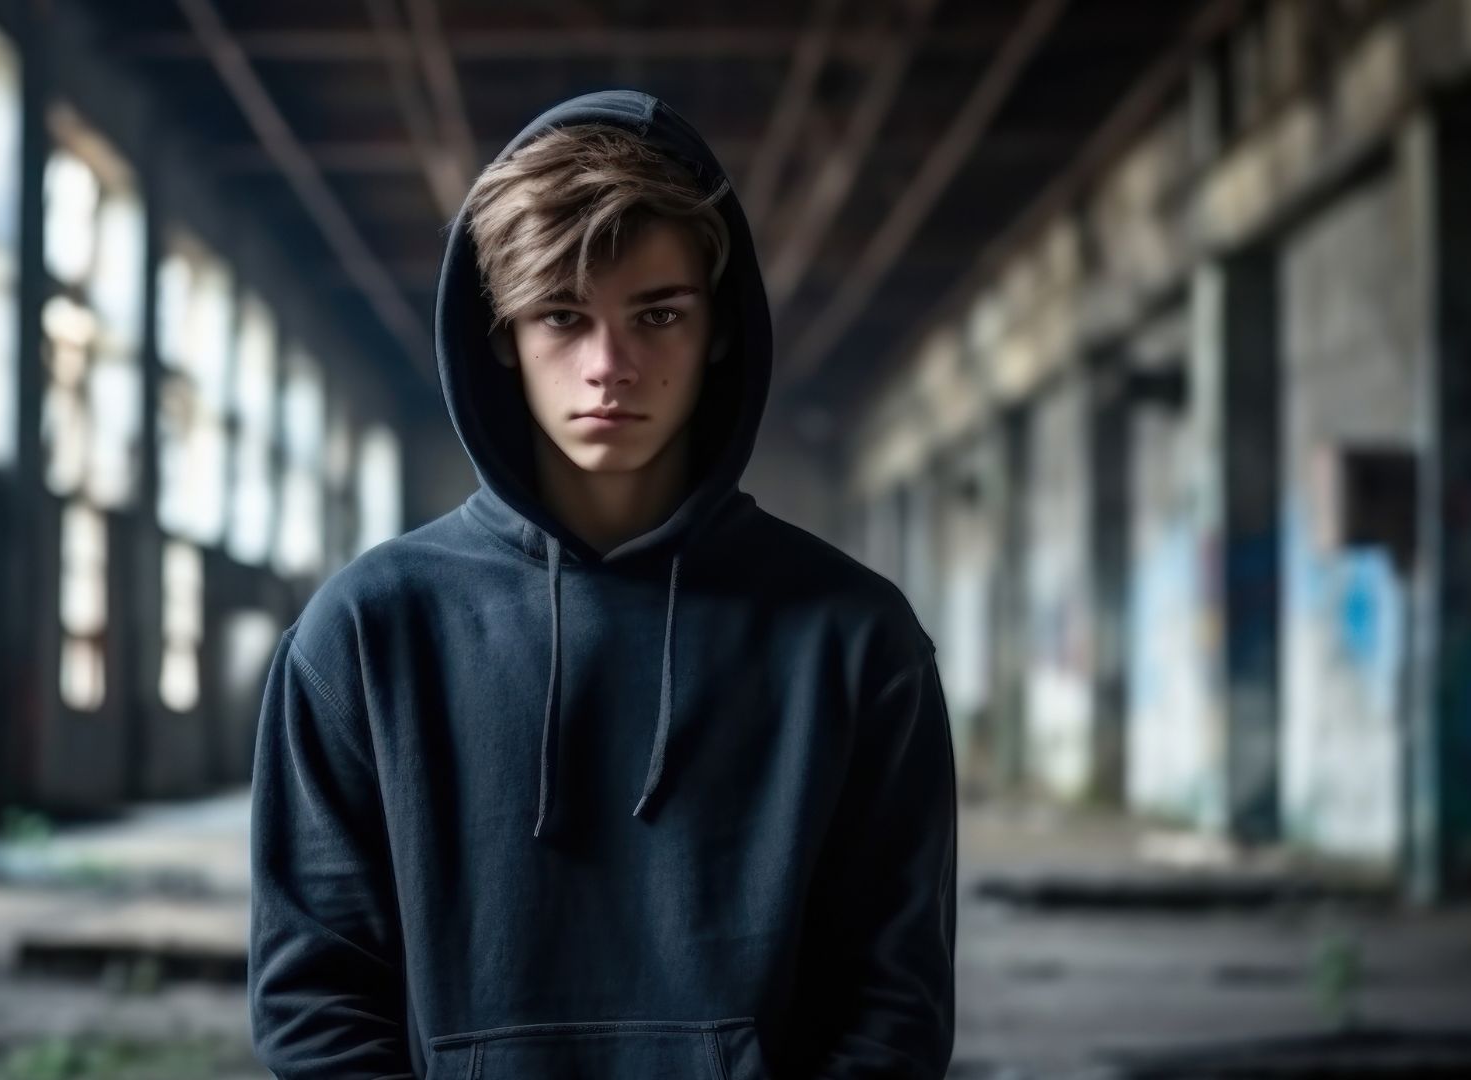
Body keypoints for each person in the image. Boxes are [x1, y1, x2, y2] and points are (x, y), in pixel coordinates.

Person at [248, 89, 958, 1079]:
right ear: (501, 334)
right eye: (560, 317)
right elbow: (315, 1000)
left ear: (718, 330)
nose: (608, 366)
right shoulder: (364, 634)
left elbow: (894, 1006)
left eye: (657, 314)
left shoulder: (854, 638)